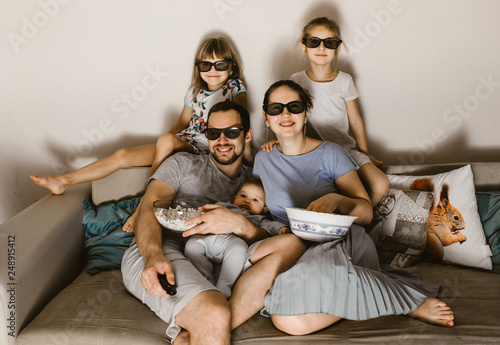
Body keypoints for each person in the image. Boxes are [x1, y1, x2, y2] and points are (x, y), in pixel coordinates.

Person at [253, 80, 454, 336]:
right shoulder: (262, 159)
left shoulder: (330, 153)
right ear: (266, 118)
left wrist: (339, 201)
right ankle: (366, 294)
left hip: (342, 240)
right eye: (275, 108)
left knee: (305, 281)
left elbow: (366, 212)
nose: (285, 114)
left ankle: (406, 301)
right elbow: (256, 205)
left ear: (305, 114)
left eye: (294, 106)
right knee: (286, 320)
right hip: (297, 247)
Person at [121, 100, 306, 345]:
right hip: (164, 246)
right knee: (213, 312)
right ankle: (211, 317)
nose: (222, 140)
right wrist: (154, 255)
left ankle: (201, 326)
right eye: (213, 133)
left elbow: (268, 232)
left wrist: (240, 225)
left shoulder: (257, 183)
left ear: (247, 134)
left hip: (228, 252)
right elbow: (149, 208)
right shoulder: (182, 164)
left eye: (231, 132)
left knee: (293, 244)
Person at [30, 36, 250, 232]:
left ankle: (140, 209)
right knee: (123, 154)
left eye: (220, 64)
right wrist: (164, 147)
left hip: (206, 148)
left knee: (165, 140)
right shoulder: (194, 91)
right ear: (198, 67)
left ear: (231, 67)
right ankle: (64, 180)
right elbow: (180, 124)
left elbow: (242, 119)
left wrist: (248, 153)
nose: (212, 70)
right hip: (185, 142)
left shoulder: (233, 87)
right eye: (206, 64)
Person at [263, 17, 389, 206]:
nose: (321, 48)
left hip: (346, 150)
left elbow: (355, 121)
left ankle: (362, 222)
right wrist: (279, 140)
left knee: (381, 183)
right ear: (304, 47)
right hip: (314, 152)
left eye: (329, 43)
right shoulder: (296, 80)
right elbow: (285, 114)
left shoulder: (345, 81)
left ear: (337, 48)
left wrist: (364, 153)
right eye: (314, 42)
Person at [184, 180, 289, 299]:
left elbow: (272, 225)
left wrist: (282, 228)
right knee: (191, 246)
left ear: (265, 208)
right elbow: (204, 213)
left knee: (239, 248)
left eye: (255, 200)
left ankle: (224, 286)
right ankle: (206, 281)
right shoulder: (224, 206)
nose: (247, 200)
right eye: (243, 196)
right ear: (234, 198)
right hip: (208, 239)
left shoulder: (259, 219)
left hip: (231, 242)